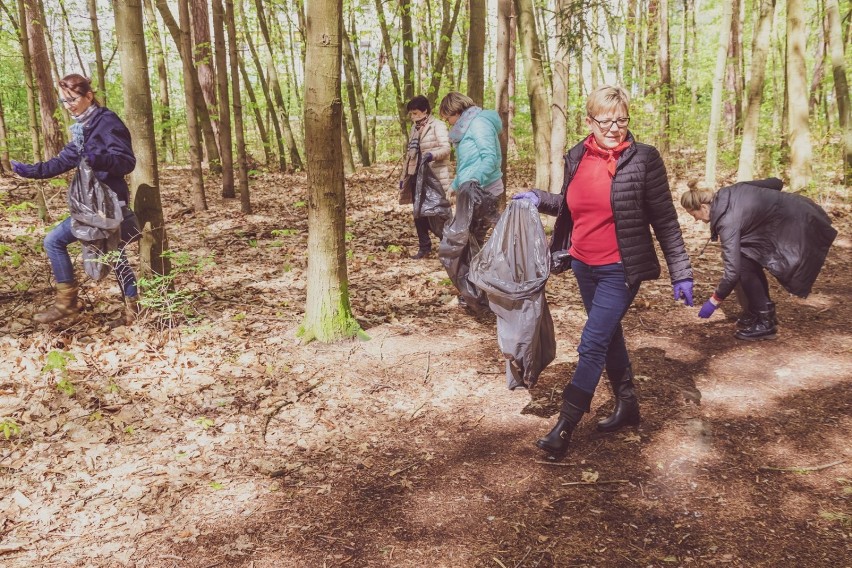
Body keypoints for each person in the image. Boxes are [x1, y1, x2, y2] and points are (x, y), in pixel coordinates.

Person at [513, 85, 693, 458]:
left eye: (622, 120)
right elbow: (572, 203)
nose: (615, 128)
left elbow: (665, 219)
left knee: (592, 343)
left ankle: (564, 426)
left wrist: (682, 272)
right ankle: (627, 405)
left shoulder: (644, 159)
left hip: (620, 270)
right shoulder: (577, 155)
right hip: (583, 264)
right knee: (608, 336)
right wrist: (539, 198)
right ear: (589, 120)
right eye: (606, 120)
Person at [12, 74, 140, 326]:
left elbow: (126, 162)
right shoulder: (82, 129)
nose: (68, 105)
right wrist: (30, 171)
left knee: (67, 243)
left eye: (72, 99)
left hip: (110, 204)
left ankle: (74, 305)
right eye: (64, 101)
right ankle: (73, 304)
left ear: (88, 96)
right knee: (109, 253)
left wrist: (96, 157)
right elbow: (62, 161)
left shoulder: (107, 122)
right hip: (90, 206)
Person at [680, 178, 837, 340]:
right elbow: (776, 183)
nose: (695, 219)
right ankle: (761, 313)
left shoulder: (727, 222)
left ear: (704, 207)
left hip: (798, 225)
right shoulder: (732, 191)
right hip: (804, 209)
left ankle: (765, 323)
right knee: (746, 258)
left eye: (694, 215)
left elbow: (732, 272)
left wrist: (714, 301)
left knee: (742, 265)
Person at [438, 91, 503, 245]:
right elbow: (466, 164)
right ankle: (473, 267)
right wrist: (454, 185)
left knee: (474, 237)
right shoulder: (464, 128)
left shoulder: (479, 123)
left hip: (485, 190)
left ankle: (480, 267)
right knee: (468, 237)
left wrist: (475, 180)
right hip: (470, 190)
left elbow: (489, 157)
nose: (449, 123)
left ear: (457, 111)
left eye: (448, 118)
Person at [399, 95, 452, 259]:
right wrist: (404, 177)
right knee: (418, 212)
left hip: (434, 176)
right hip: (416, 175)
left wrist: (431, 155)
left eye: (415, 113)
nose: (413, 117)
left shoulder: (438, 126)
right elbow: (410, 155)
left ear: (425, 111)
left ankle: (449, 245)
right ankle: (424, 247)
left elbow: (446, 148)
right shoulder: (414, 129)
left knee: (437, 212)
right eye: (411, 114)